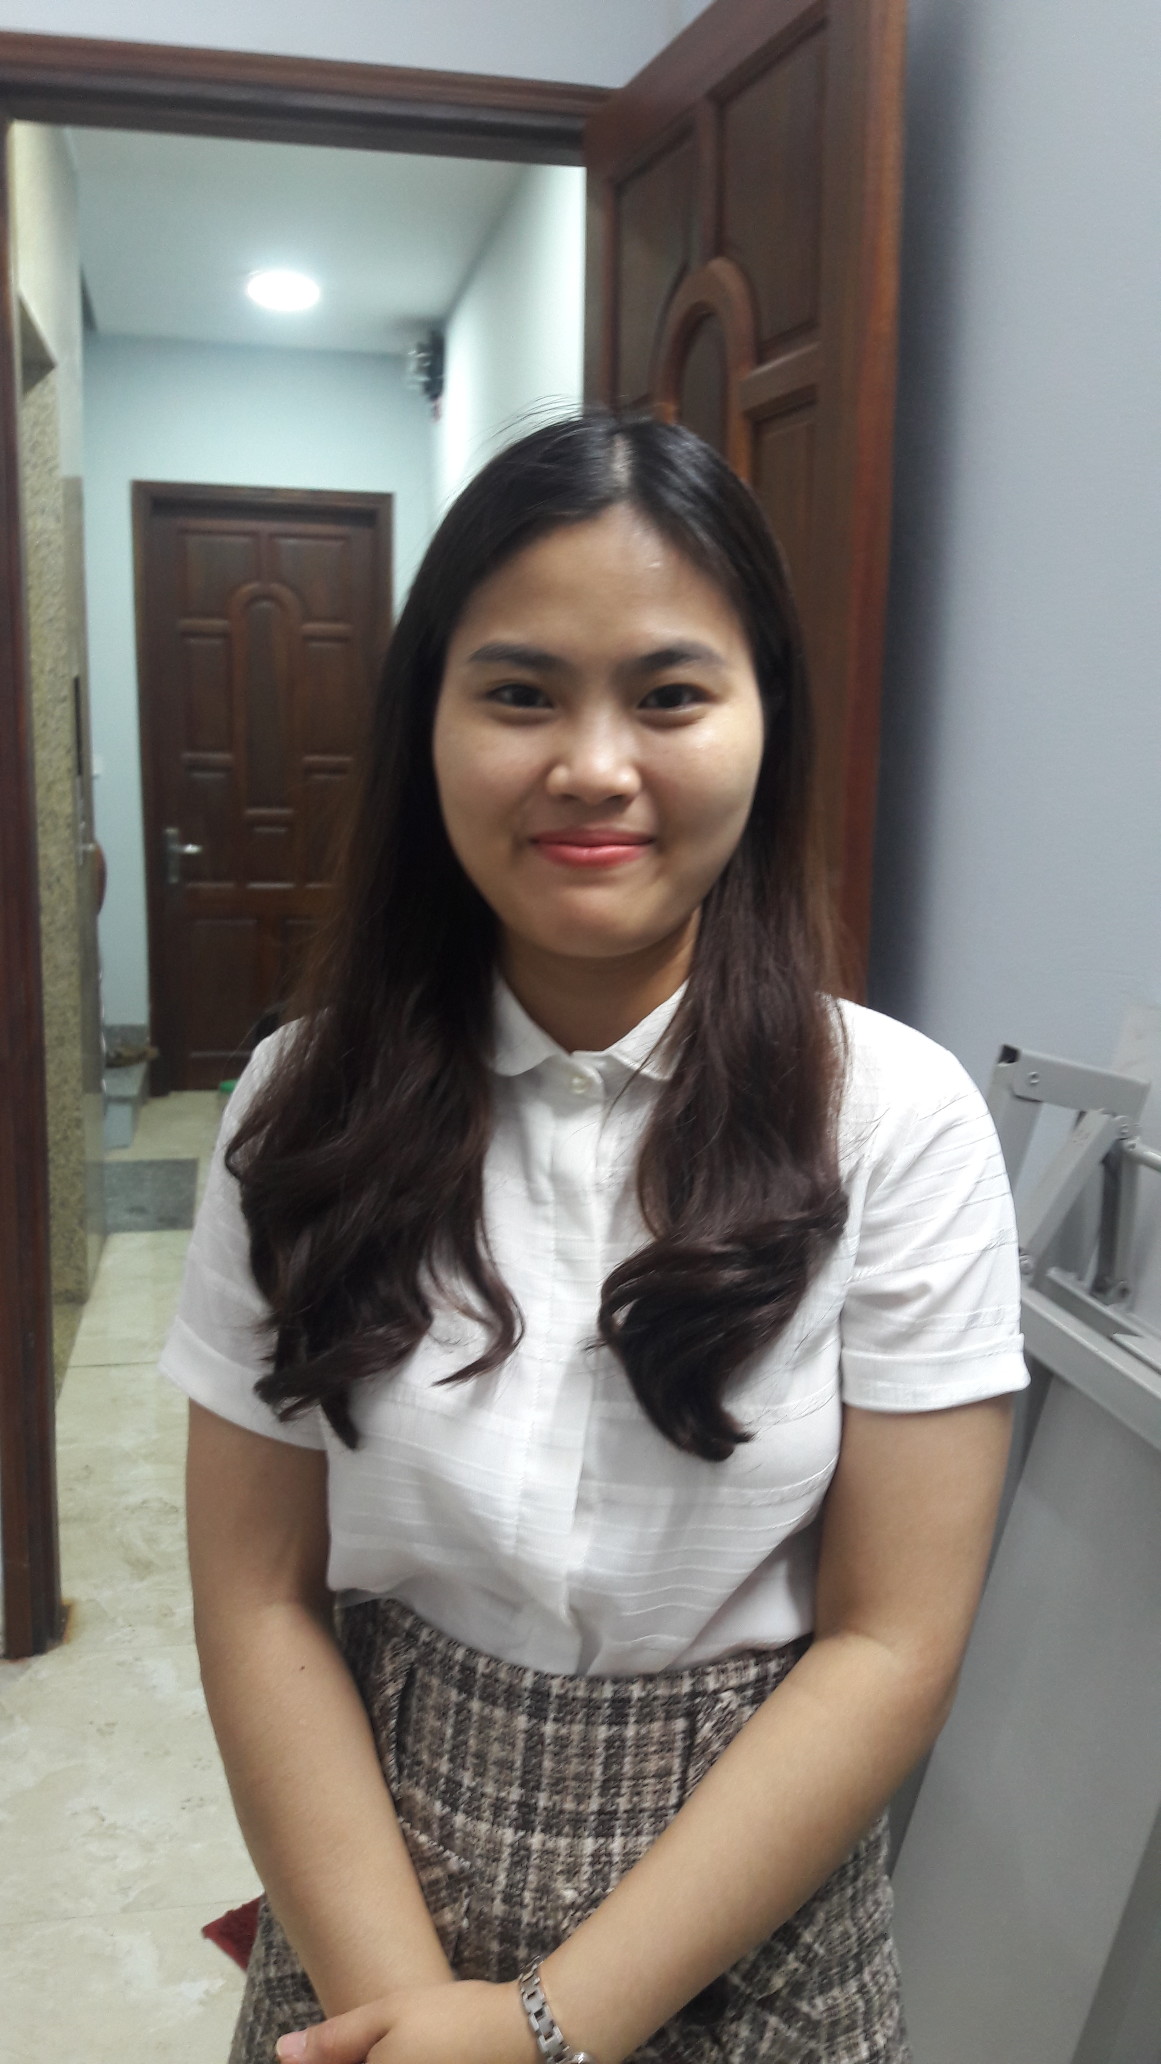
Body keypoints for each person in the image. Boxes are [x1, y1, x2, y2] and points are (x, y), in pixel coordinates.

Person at [163, 412, 1028, 2064]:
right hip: (370, 1900)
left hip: (750, 1917)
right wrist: (408, 2011)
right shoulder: (299, 1101)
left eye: (670, 694)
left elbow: (891, 1637)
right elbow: (256, 1595)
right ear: (428, 721)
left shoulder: (895, 1121)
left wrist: (547, 2031)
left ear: (764, 721)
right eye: (518, 693)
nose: (593, 766)